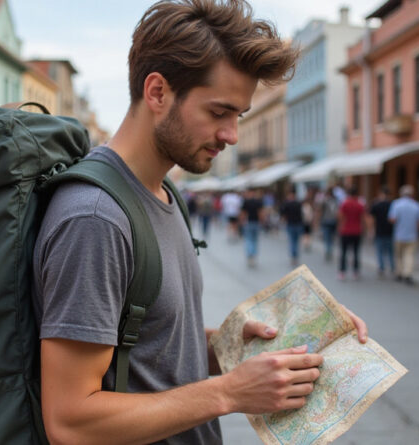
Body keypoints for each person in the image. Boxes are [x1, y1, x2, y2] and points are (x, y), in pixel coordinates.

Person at [32, 1, 368, 443]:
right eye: (218, 112)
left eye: (238, 117)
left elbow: (148, 355)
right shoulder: (96, 218)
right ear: (157, 93)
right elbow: (71, 420)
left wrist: (234, 344)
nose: (232, 134)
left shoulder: (163, 193)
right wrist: (228, 392)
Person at [388, 185, 419, 284]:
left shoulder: (396, 204)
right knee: (409, 255)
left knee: (399, 255)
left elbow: (392, 219)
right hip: (412, 235)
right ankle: (408, 274)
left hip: (399, 234)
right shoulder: (417, 205)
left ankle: (399, 273)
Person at [338, 187, 365, 280]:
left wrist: (340, 226)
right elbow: (363, 218)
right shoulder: (360, 204)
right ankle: (355, 271)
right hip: (357, 231)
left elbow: (340, 216)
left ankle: (342, 272)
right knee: (356, 252)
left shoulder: (345, 203)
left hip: (345, 230)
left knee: (344, 252)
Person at [369, 187, 394, 278]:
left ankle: (381, 267)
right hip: (390, 231)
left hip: (379, 231)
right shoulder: (393, 204)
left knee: (380, 251)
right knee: (390, 251)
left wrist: (371, 230)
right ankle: (392, 267)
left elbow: (371, 218)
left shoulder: (377, 204)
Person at [240, 188, 264, 268]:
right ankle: (253, 254)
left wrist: (242, 221)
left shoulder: (246, 201)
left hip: (249, 222)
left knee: (249, 239)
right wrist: (261, 221)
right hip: (256, 222)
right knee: (254, 240)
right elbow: (260, 213)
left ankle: (250, 254)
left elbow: (243, 213)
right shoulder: (258, 202)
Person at [280, 190, 304, 267]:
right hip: (298, 224)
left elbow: (283, 215)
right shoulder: (298, 203)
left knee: (292, 241)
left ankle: (293, 256)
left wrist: (283, 221)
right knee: (296, 241)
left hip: (291, 224)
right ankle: (295, 255)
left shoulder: (287, 204)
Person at [319, 187, 339, 262]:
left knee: (327, 237)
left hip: (326, 221)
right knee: (331, 237)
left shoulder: (325, 201)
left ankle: (328, 250)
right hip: (333, 221)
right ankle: (330, 250)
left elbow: (321, 211)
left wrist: (319, 221)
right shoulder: (336, 201)